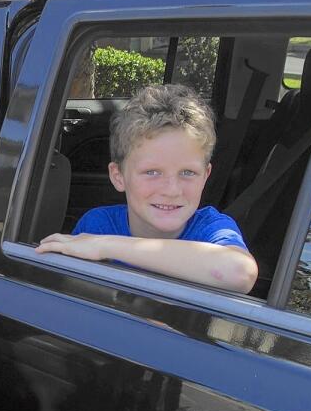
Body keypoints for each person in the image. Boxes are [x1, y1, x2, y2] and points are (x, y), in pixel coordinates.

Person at [36, 83, 258, 294]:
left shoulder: (211, 229)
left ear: (205, 177)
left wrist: (106, 246)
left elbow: (239, 273)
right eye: (152, 172)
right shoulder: (98, 224)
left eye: (188, 173)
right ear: (119, 176)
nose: (172, 190)